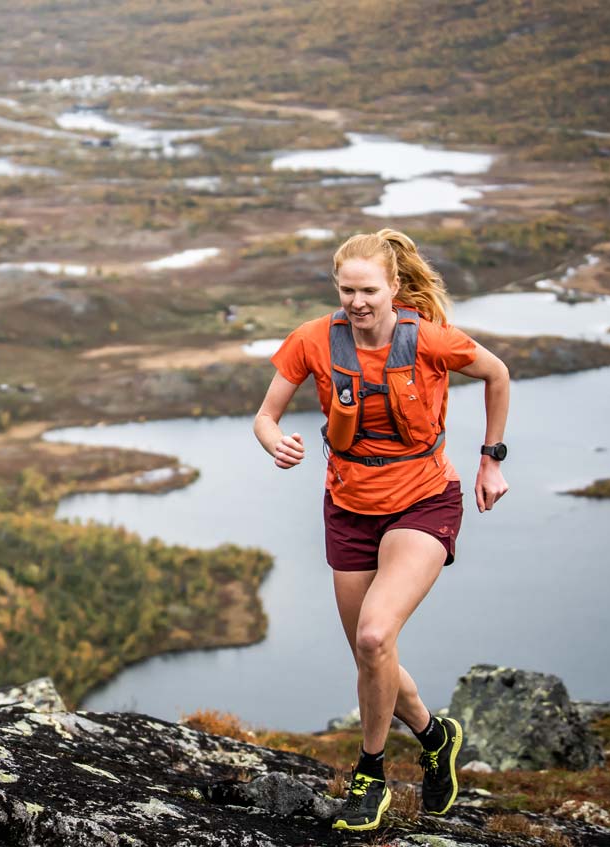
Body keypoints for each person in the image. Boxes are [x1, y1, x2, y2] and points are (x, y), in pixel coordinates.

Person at [252, 229, 510, 830]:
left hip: (423, 500)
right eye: (347, 290)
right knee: (373, 655)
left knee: (373, 639)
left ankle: (370, 775)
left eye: (368, 290)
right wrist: (275, 443)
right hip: (347, 507)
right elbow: (266, 416)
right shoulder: (315, 340)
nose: (357, 302)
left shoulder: (431, 341)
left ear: (395, 287)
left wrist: (490, 458)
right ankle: (434, 733)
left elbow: (497, 375)